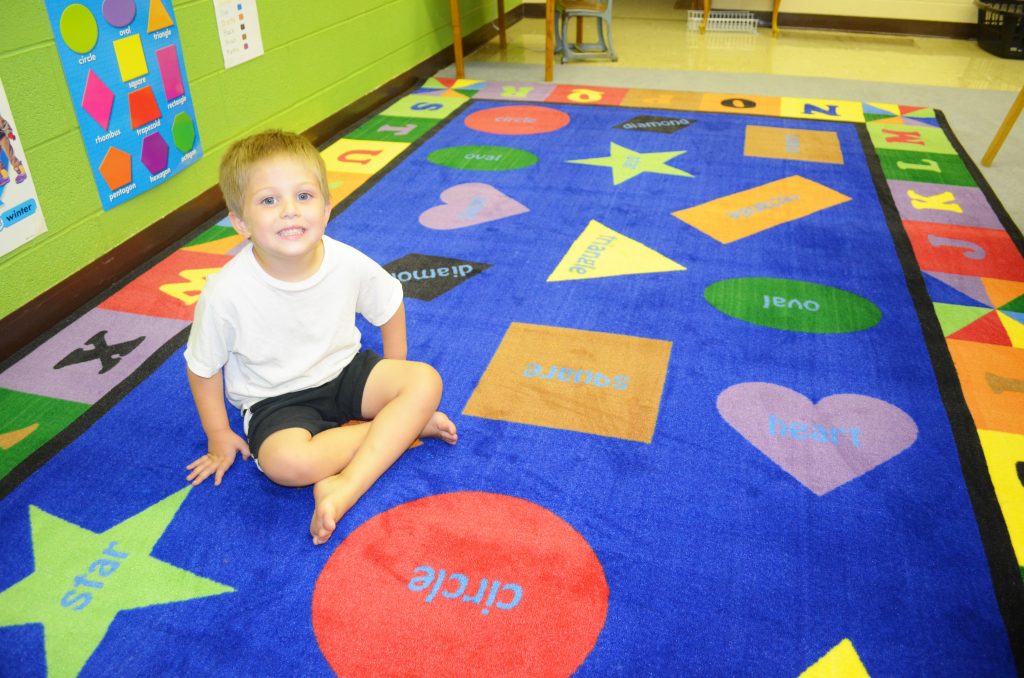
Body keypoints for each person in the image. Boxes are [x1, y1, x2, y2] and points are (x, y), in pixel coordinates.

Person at [184, 129, 457, 545]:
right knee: (285, 465)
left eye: (304, 196)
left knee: (424, 380)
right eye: (269, 200)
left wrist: (395, 371)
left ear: (327, 209)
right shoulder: (225, 292)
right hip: (276, 400)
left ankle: (345, 485)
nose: (289, 211)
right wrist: (219, 433)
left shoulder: (346, 261)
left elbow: (390, 304)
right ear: (240, 222)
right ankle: (401, 427)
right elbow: (203, 368)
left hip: (346, 371)